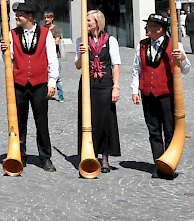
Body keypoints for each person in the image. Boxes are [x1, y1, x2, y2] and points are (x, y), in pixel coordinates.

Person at [0, 2, 58, 171]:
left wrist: (52, 82)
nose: (17, 17)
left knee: (42, 122)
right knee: (19, 122)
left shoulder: (46, 34)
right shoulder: (12, 34)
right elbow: (9, 59)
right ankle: (20, 154)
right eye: (17, 14)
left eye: (20, 14)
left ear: (30, 16)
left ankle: (45, 157)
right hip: (19, 84)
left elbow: (52, 59)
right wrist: (4, 50)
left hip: (39, 84)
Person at [132, 13, 191, 179]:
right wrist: (135, 90)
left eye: (149, 26)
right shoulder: (142, 45)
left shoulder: (174, 44)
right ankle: (158, 163)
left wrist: (183, 58)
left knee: (169, 130)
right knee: (154, 130)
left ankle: (169, 162)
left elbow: (186, 69)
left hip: (166, 94)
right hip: (147, 93)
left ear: (159, 29)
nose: (146, 28)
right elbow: (137, 69)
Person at [75, 10, 121, 173]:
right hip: (88, 85)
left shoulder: (111, 40)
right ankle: (89, 154)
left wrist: (116, 87)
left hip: (105, 84)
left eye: (89, 21)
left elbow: (115, 65)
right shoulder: (81, 40)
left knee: (106, 119)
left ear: (97, 22)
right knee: (88, 119)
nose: (86, 24)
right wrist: (81, 55)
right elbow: (78, 65)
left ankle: (105, 158)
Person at [44, 11, 64, 103]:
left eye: (48, 18)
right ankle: (46, 93)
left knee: (57, 75)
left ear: (52, 18)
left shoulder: (56, 29)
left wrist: (47, 40)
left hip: (55, 55)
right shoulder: (43, 29)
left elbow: (56, 41)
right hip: (44, 55)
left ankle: (61, 95)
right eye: (45, 18)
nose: (46, 20)